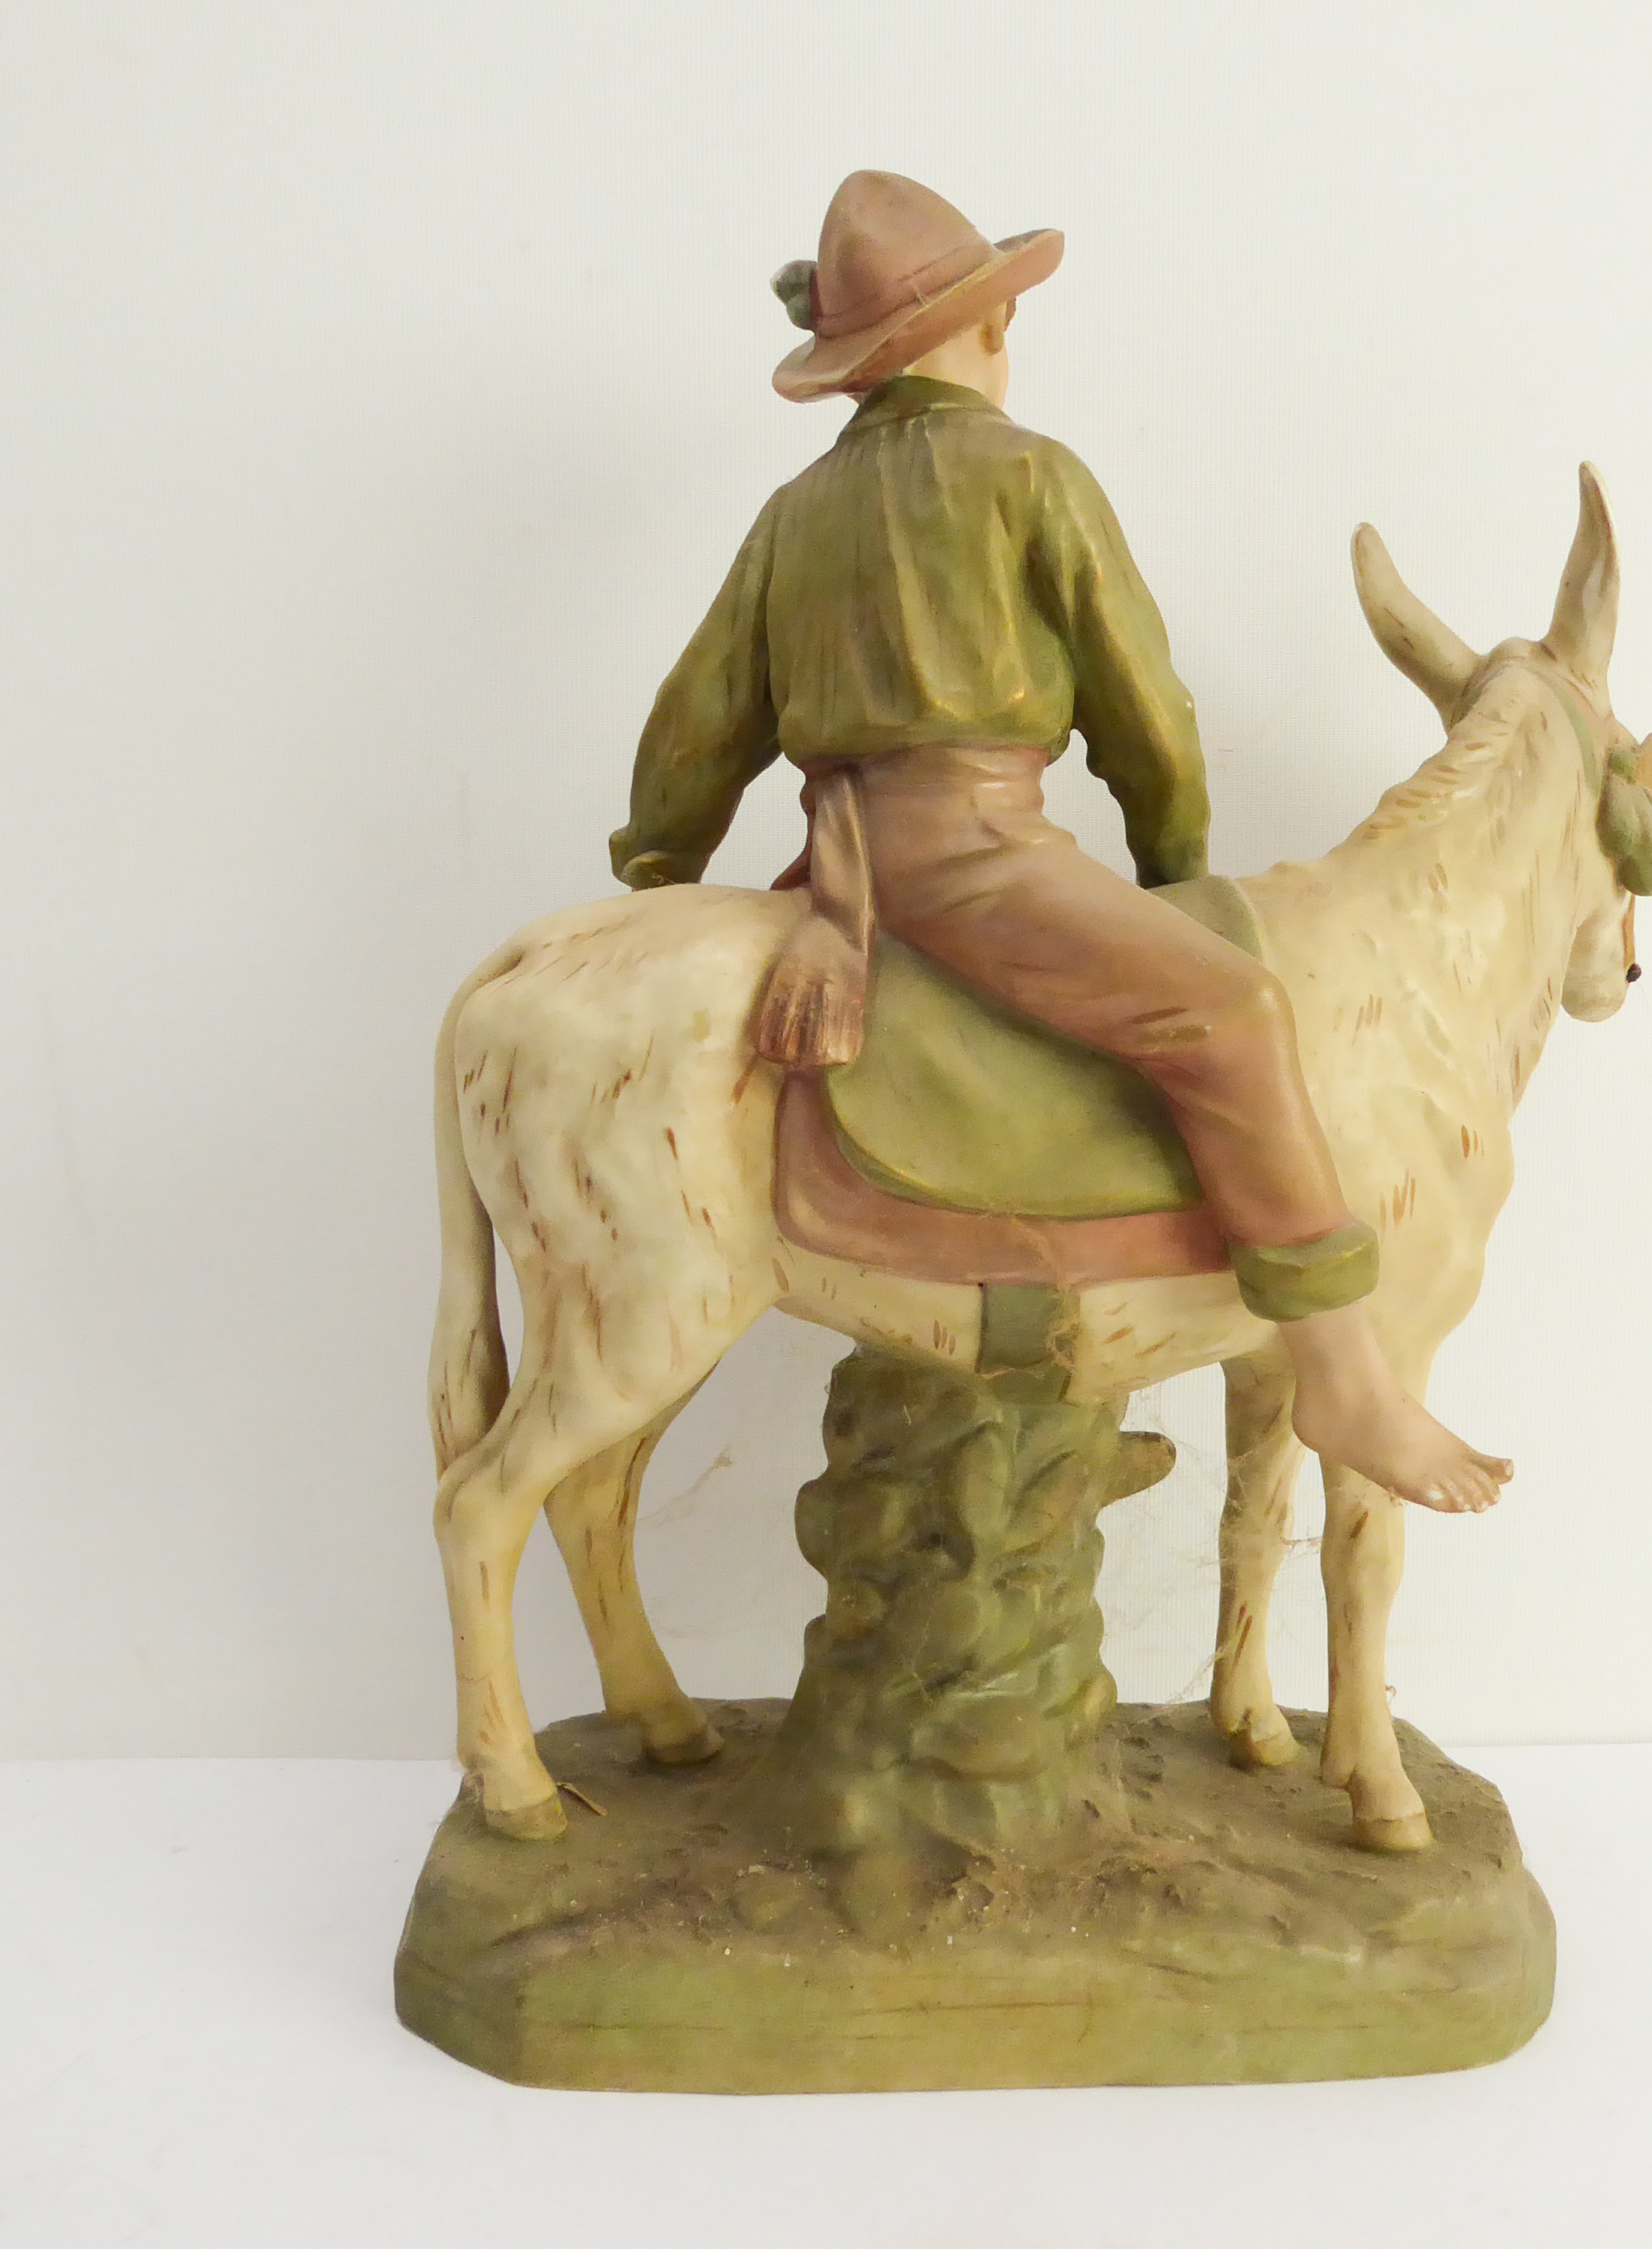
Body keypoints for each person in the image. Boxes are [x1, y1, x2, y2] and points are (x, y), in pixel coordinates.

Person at [610, 171, 1510, 1515]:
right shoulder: (1029, 476)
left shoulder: (794, 517)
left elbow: (698, 718)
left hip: (851, 855)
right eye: (1003, 316)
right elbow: (1137, 696)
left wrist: (656, 867)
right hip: (977, 856)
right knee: (1238, 1009)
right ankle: (1341, 1375)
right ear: (978, 335)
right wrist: (1171, 860)